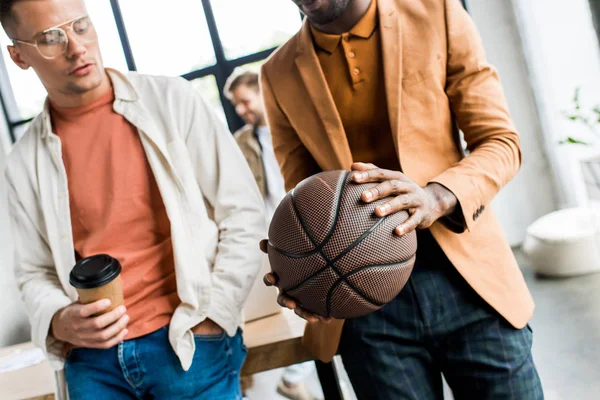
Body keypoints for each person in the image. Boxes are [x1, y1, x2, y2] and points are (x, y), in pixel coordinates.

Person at [260, 0, 544, 398]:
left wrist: (435, 198)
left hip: (468, 281)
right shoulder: (276, 73)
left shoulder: (437, 14)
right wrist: (298, 264)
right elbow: (301, 193)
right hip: (364, 308)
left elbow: (501, 142)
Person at [1, 0, 265, 399]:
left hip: (188, 343)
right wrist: (58, 319)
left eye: (82, 26)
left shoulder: (173, 100)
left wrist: (215, 315)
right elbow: (33, 273)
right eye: (51, 38)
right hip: (92, 364)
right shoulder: (23, 163)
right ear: (19, 56)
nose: (77, 47)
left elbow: (243, 212)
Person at [225, 70, 317, 400]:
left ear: (263, 93)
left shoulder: (295, 126)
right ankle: (286, 377)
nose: (241, 111)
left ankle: (294, 376)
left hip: (310, 225)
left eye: (245, 102)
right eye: (236, 106)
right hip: (270, 234)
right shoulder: (242, 142)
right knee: (292, 304)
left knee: (320, 299)